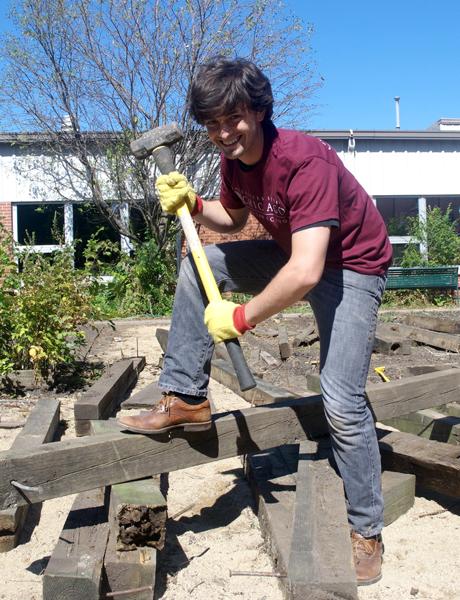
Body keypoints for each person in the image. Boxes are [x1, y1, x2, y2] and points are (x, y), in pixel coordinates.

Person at [118, 57, 393, 585]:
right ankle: (187, 397)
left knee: (340, 397)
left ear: (260, 109)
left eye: (234, 119)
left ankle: (367, 530)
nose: (224, 133)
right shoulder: (235, 162)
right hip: (298, 251)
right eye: (213, 124)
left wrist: (240, 317)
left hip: (352, 263)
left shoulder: (304, 160)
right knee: (203, 265)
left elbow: (308, 271)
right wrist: (193, 203)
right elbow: (233, 218)